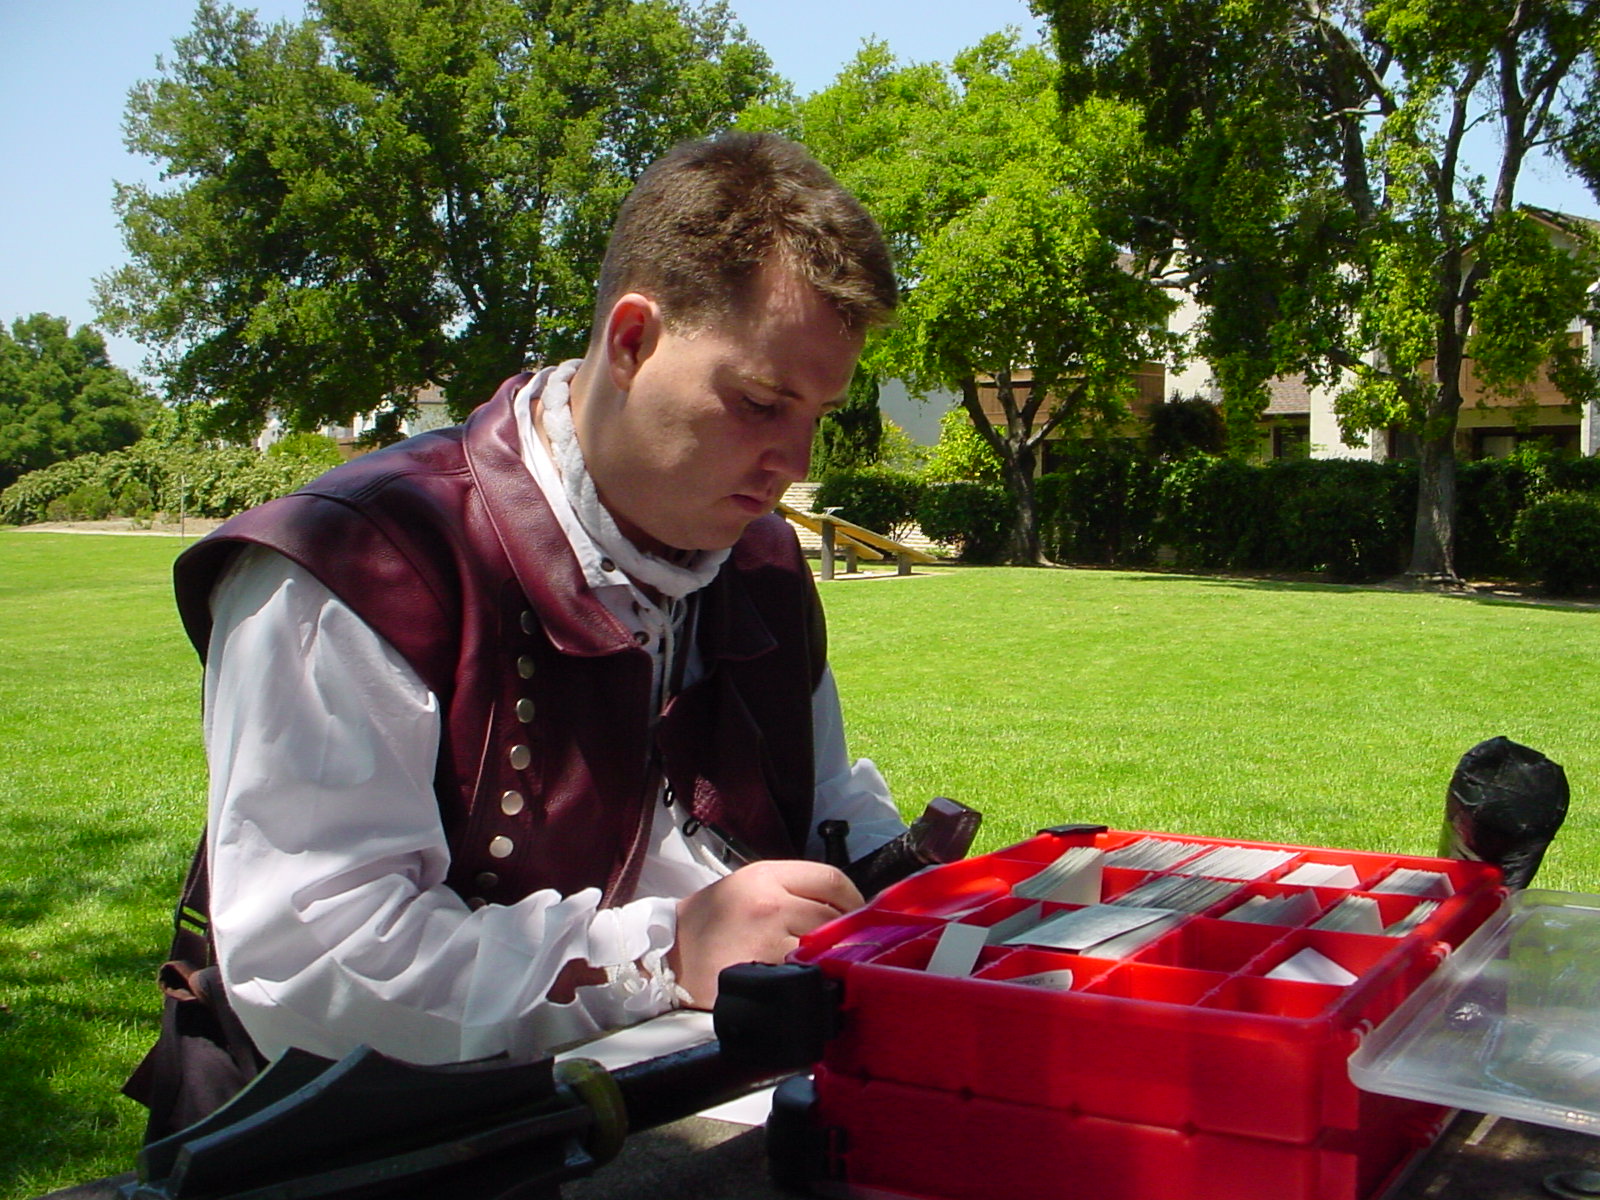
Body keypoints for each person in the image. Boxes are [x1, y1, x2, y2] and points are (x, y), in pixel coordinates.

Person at [127, 131, 905, 1137]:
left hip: (684, 1122)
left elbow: (825, 810)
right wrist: (665, 954)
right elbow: (316, 973)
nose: (793, 461)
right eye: (760, 402)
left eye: (818, 415)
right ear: (632, 342)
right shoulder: (361, 564)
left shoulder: (760, 566)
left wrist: (917, 897)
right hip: (385, 1154)